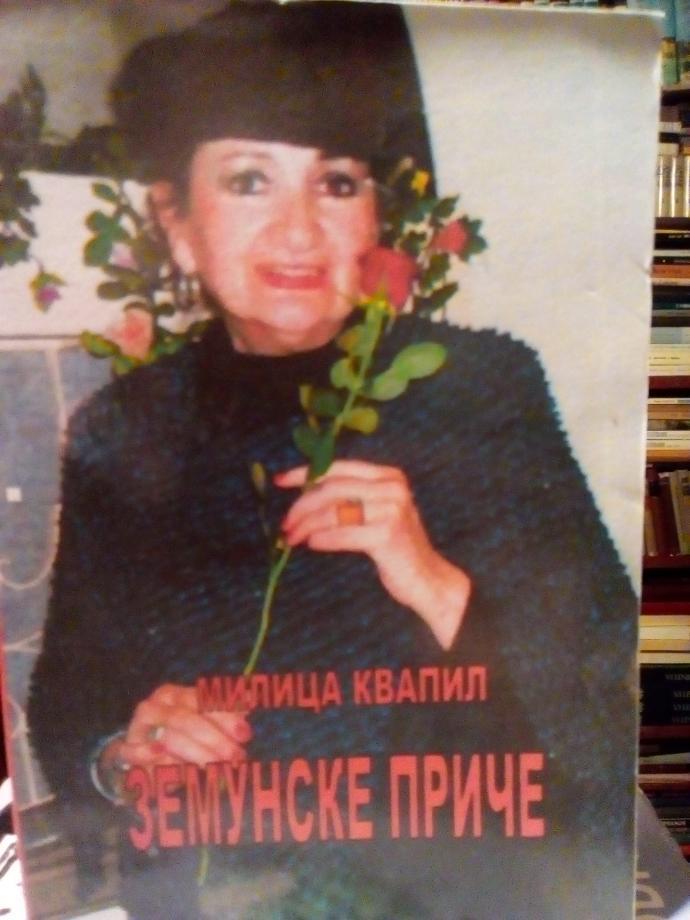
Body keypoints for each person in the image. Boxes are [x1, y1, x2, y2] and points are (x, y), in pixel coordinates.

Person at [27, 3, 638, 918]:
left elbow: (601, 674)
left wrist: (435, 582)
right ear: (176, 222)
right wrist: (122, 754)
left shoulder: (483, 386)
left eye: (337, 183)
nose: (301, 230)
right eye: (249, 180)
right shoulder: (123, 428)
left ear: (374, 218)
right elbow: (70, 698)